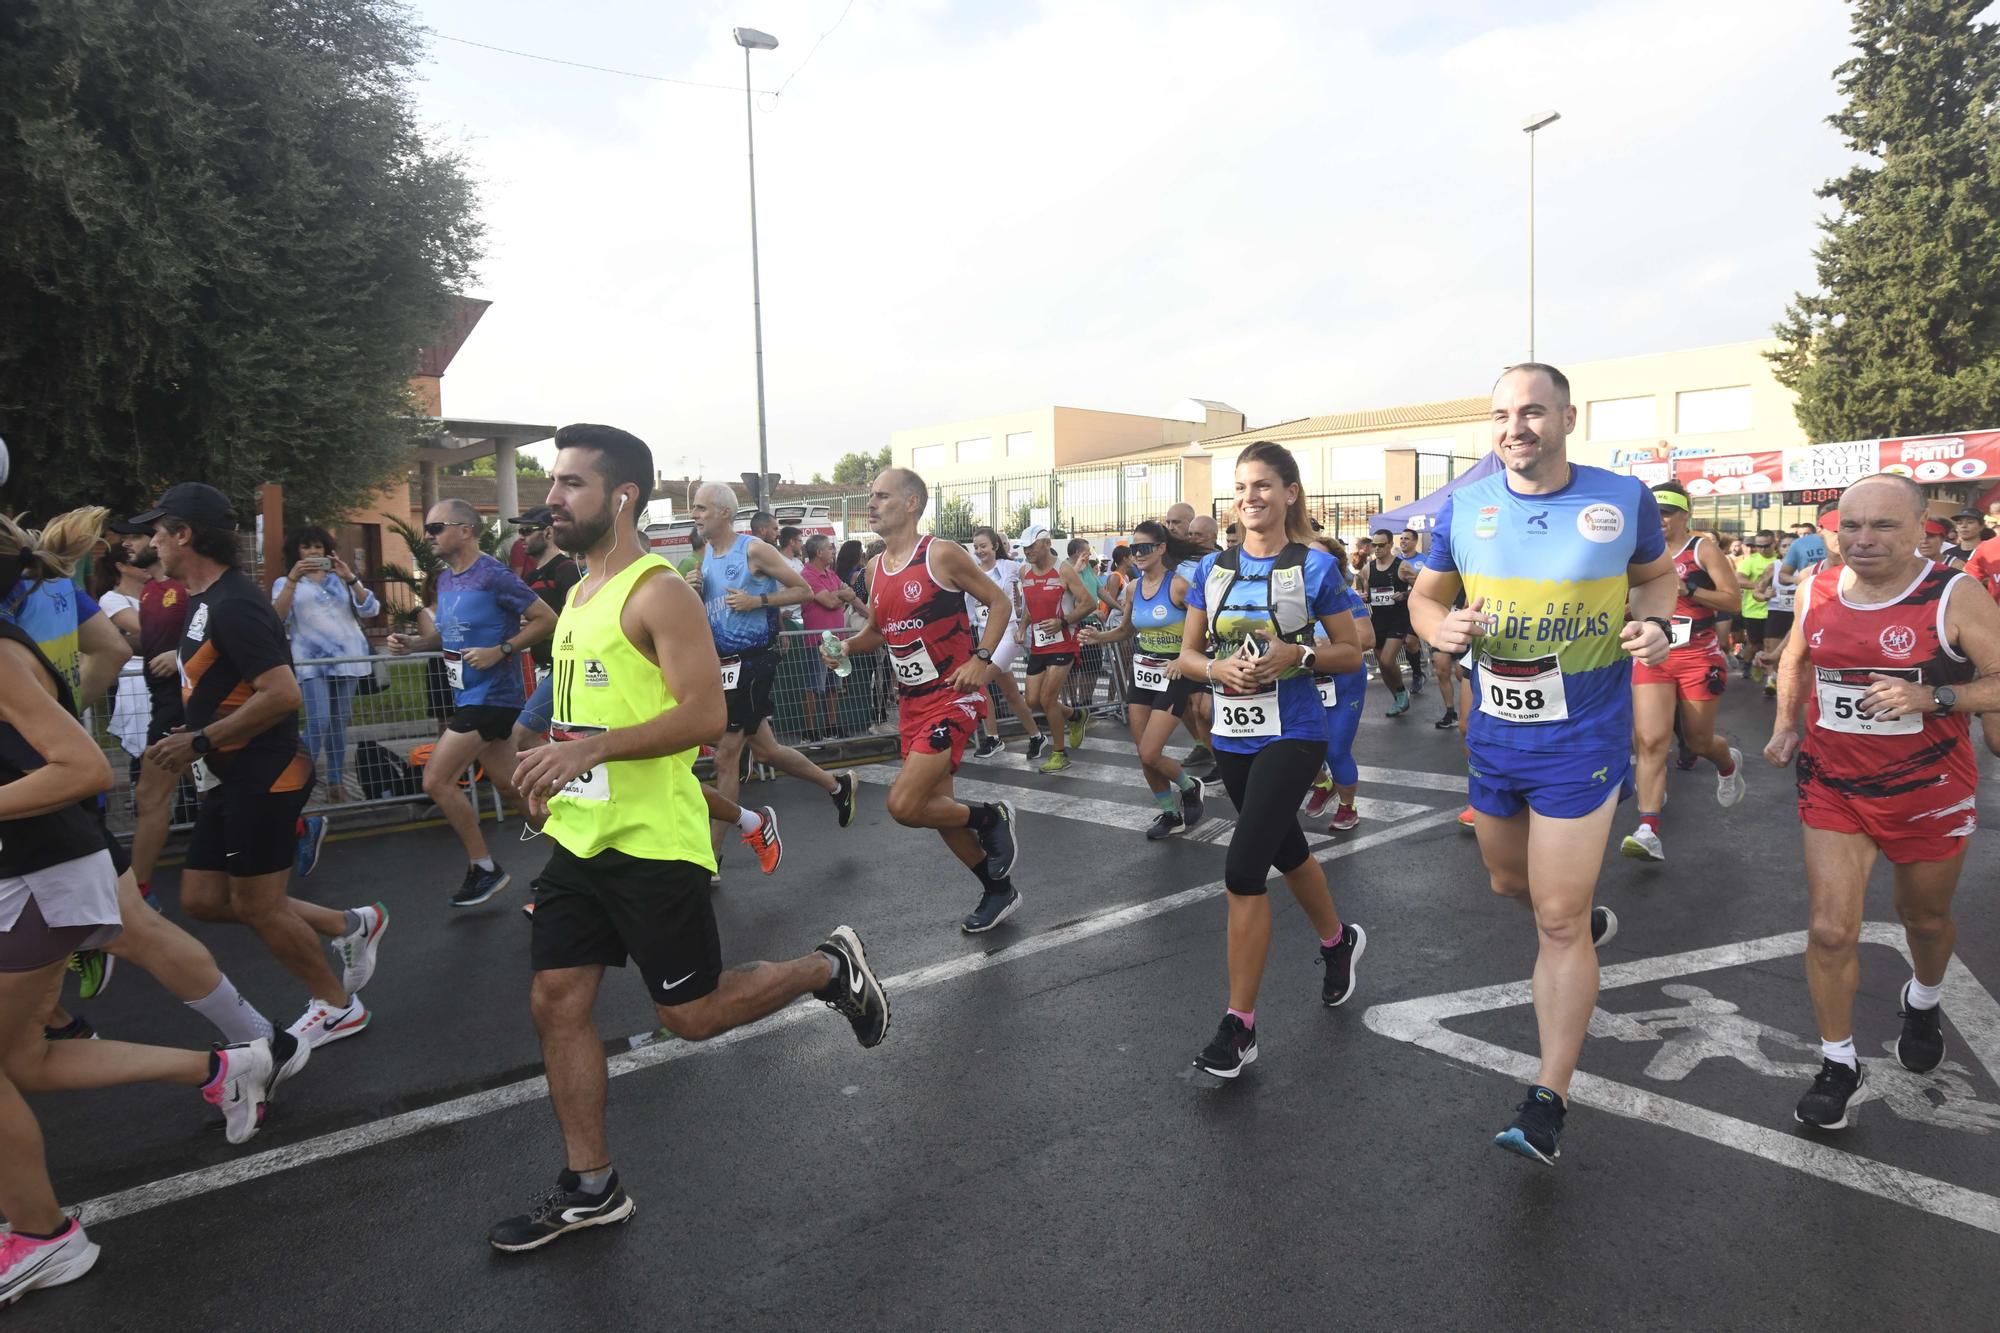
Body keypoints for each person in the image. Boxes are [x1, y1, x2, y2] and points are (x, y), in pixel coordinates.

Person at [491, 425, 887, 1253]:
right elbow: (580, 715)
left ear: (622, 495)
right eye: (554, 483)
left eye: (569, 484)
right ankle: (592, 1186)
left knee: (692, 1015)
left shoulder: (656, 590)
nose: (552, 499)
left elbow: (705, 716)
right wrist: (545, 771)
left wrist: (589, 751)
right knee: (555, 1000)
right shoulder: (579, 591)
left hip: (652, 843)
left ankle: (828, 965)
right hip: (583, 841)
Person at [0, 544, 296, 1308]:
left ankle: (43, 1236)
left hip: (41, 871)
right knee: (24, 1061)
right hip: (36, 866)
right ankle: (225, 1067)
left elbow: (82, 765)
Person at [1409, 363, 1675, 1165]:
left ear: (1566, 416)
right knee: (1511, 886)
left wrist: (1655, 625)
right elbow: (1427, 595)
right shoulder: (1466, 506)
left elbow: (1657, 578)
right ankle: (1581, 921)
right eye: (1501, 414)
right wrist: (1438, 629)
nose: (1514, 427)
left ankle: (1548, 1095)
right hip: (1493, 733)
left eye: (1531, 411)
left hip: (1582, 737)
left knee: (1554, 919)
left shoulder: (1622, 498)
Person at [1763, 473, 2000, 1130]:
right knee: (1830, 927)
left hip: (1929, 788)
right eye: (1852, 524)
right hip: (1833, 783)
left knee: (1922, 918)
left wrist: (1934, 697)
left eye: (1883, 526)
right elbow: (1795, 656)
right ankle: (1838, 1063)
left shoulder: (1954, 594)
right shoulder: (1817, 585)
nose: (1863, 539)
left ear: (1920, 528)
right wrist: (1786, 724)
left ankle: (1922, 999)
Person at [134, 484, 388, 1051]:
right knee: (202, 899)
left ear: (185, 535)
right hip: (227, 770)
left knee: (256, 904)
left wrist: (200, 740)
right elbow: (218, 682)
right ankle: (349, 924)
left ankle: (338, 1005)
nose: (151, 540)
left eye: (159, 529)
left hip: (267, 770)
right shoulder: (201, 600)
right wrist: (194, 736)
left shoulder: (236, 603)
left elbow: (281, 693)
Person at [1176, 441, 1366, 1078]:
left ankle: (1241, 1026)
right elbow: (1188, 657)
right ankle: (1339, 943)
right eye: (1239, 488)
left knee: (1243, 868)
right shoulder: (1214, 570)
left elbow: (1350, 650)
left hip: (1296, 735)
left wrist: (1299, 656)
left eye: (1262, 486)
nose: (1249, 498)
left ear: (1289, 493)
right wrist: (1217, 669)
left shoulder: (1313, 568)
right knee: (1287, 849)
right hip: (1233, 737)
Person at [821, 469, 1024, 932]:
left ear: (911, 504)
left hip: (953, 695)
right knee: (937, 811)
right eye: (871, 496)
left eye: (882, 496)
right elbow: (878, 630)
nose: (871, 504)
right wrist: (848, 647)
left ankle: (992, 817)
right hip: (911, 702)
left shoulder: (940, 554)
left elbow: (1000, 603)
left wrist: (982, 658)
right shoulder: (874, 568)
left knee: (905, 805)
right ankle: (998, 891)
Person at [385, 499, 556, 907]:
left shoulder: (493, 575)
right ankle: (577, 858)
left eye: (436, 527)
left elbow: (547, 618)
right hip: (468, 695)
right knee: (513, 788)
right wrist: (414, 643)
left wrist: (502, 649)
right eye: (427, 528)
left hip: (493, 698)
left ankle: (484, 867)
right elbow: (450, 636)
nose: (429, 536)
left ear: (466, 530)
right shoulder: (445, 581)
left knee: (436, 780)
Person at [684, 483, 857, 875]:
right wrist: (694, 590)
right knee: (766, 750)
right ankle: (837, 786)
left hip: (755, 659)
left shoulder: (755, 550)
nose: (695, 514)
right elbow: (716, 610)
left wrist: (758, 601)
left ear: (725, 512)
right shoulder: (709, 554)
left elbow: (805, 591)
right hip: (725, 663)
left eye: (701, 508)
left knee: (727, 755)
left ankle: (711, 859)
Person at [1620, 483, 1746, 862]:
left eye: (1668, 512)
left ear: (1685, 515)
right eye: (1653, 511)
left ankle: (1727, 763)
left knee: (1697, 742)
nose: (1659, 519)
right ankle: (1647, 830)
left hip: (1697, 656)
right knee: (1649, 741)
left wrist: (1689, 588)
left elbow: (1733, 600)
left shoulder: (1701, 549)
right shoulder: (1637, 553)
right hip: (1653, 656)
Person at [1079, 521, 1207, 839]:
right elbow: (1126, 631)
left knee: (1152, 752)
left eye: (1144, 548)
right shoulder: (1133, 588)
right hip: (1143, 673)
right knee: (1143, 754)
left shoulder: (1177, 585)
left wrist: (1184, 659)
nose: (1137, 554)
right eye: (1134, 549)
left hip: (1174, 673)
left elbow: (1206, 627)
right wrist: (1099, 637)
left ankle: (1191, 787)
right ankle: (1169, 813)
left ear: (1161, 548)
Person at [273, 525, 380, 814]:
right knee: (318, 721)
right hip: (310, 662)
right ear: (296, 551)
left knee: (337, 723)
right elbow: (277, 619)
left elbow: (371, 609)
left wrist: (351, 577)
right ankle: (293, 778)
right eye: (307, 547)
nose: (313, 552)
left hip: (348, 658)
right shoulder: (285, 581)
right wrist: (293, 581)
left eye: (318, 547)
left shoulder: (340, 579)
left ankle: (335, 783)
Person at [117, 520, 195, 905]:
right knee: (221, 783)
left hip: (182, 703)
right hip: (160, 701)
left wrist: (179, 656)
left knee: (150, 796)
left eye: (137, 537)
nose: (132, 544)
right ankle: (296, 826)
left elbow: (219, 636)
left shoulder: (189, 589)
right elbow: (146, 645)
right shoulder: (150, 591)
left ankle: (137, 893)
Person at [1302, 536, 1373, 831]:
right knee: (1299, 746)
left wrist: (1326, 645)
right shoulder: (1289, 598)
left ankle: (1348, 806)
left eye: (1319, 559)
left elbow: (1368, 639)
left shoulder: (1346, 597)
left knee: (1335, 749)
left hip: (1343, 682)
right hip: (1305, 680)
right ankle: (1324, 784)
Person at [1016, 523, 1093, 774]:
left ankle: (1059, 753)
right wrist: (1022, 627)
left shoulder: (1064, 570)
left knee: (1048, 698)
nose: (1028, 551)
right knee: (1032, 701)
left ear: (1047, 544)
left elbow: (1088, 603)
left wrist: (1063, 621)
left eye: (1032, 547)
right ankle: (1075, 716)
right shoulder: (1024, 571)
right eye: (1025, 547)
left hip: (1064, 641)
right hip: (1039, 643)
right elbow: (1030, 606)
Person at [964, 527, 1043, 760]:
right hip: (984, 636)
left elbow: (1034, 578)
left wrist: (1024, 621)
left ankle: (993, 737)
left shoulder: (1009, 567)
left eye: (984, 546)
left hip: (1008, 634)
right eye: (976, 547)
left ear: (995, 546)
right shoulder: (972, 573)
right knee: (1011, 693)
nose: (980, 551)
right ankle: (1036, 736)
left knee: (979, 681)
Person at [797, 534, 858, 742]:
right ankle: (810, 730)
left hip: (836, 639)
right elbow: (831, 602)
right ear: (819, 552)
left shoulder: (830, 574)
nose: (833, 551)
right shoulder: (807, 575)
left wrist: (837, 595)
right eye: (829, 548)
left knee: (833, 685)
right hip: (817, 639)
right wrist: (839, 595)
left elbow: (847, 594)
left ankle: (832, 726)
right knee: (815, 685)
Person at [1362, 528, 1418, 716]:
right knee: (1382, 664)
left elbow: (1420, 589)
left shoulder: (1402, 567)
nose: (1376, 549)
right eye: (1374, 545)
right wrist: (1364, 597)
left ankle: (1402, 692)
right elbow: (1367, 594)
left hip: (1398, 618)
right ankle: (1398, 697)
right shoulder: (1367, 569)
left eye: (1381, 545)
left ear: (1389, 545)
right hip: (1378, 619)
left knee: (1387, 660)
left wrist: (1404, 594)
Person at [1734, 529, 1776, 682]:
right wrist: (1760, 586)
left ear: (1774, 543)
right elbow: (1739, 580)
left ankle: (1770, 676)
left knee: (1770, 645)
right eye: (1759, 546)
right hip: (1753, 611)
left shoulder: (1781, 560)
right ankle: (1747, 664)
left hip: (1775, 611)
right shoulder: (1751, 561)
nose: (1762, 549)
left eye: (1766, 546)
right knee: (1754, 644)